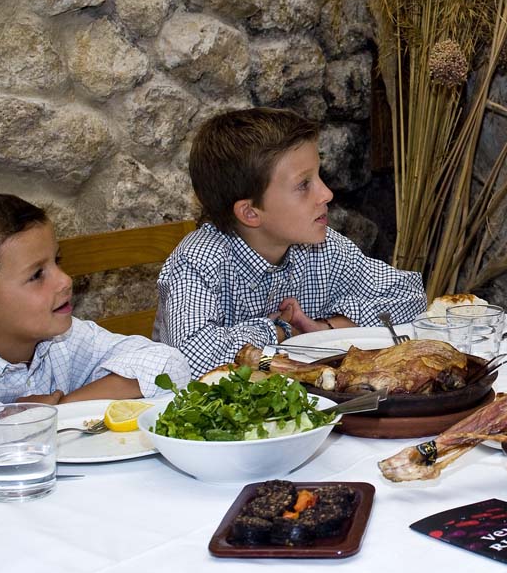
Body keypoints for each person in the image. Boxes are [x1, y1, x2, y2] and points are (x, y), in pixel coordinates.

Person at [0, 193, 189, 458]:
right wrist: (18, 416)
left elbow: (168, 364)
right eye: (37, 275)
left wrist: (57, 410)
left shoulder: (65, 340)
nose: (64, 280)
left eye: (57, 262)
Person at [154, 107, 426, 378]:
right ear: (250, 213)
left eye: (319, 176)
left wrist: (326, 328)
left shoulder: (322, 248)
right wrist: (280, 331)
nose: (327, 194)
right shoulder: (199, 262)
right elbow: (190, 359)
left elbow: (409, 296)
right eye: (303, 185)